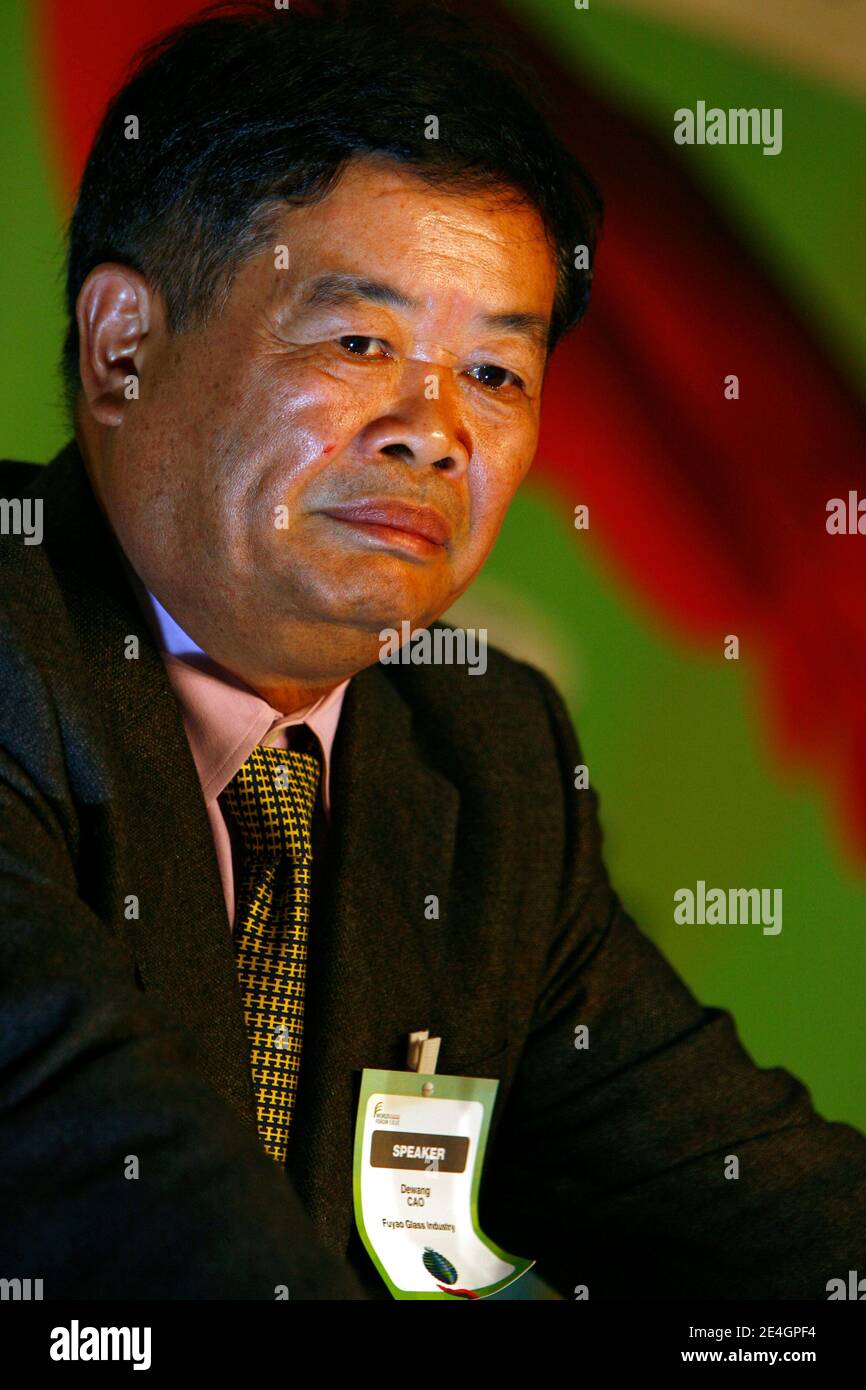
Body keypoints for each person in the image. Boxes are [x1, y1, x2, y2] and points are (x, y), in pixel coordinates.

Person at [0, 0, 863, 1301]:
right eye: (358, 342)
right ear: (125, 347)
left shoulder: (485, 753)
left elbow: (730, 1185)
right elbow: (112, 1187)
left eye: (499, 374)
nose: (437, 432)